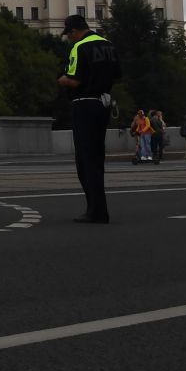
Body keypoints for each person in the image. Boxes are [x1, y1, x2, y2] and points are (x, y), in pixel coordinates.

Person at [58, 14, 120, 224]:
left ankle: (96, 211)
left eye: (69, 35)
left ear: (75, 31)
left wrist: (62, 79)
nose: (69, 39)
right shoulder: (108, 45)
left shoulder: (80, 47)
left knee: (85, 161)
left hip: (84, 104)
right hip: (103, 104)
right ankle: (98, 209)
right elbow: (118, 74)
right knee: (96, 158)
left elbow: (74, 80)